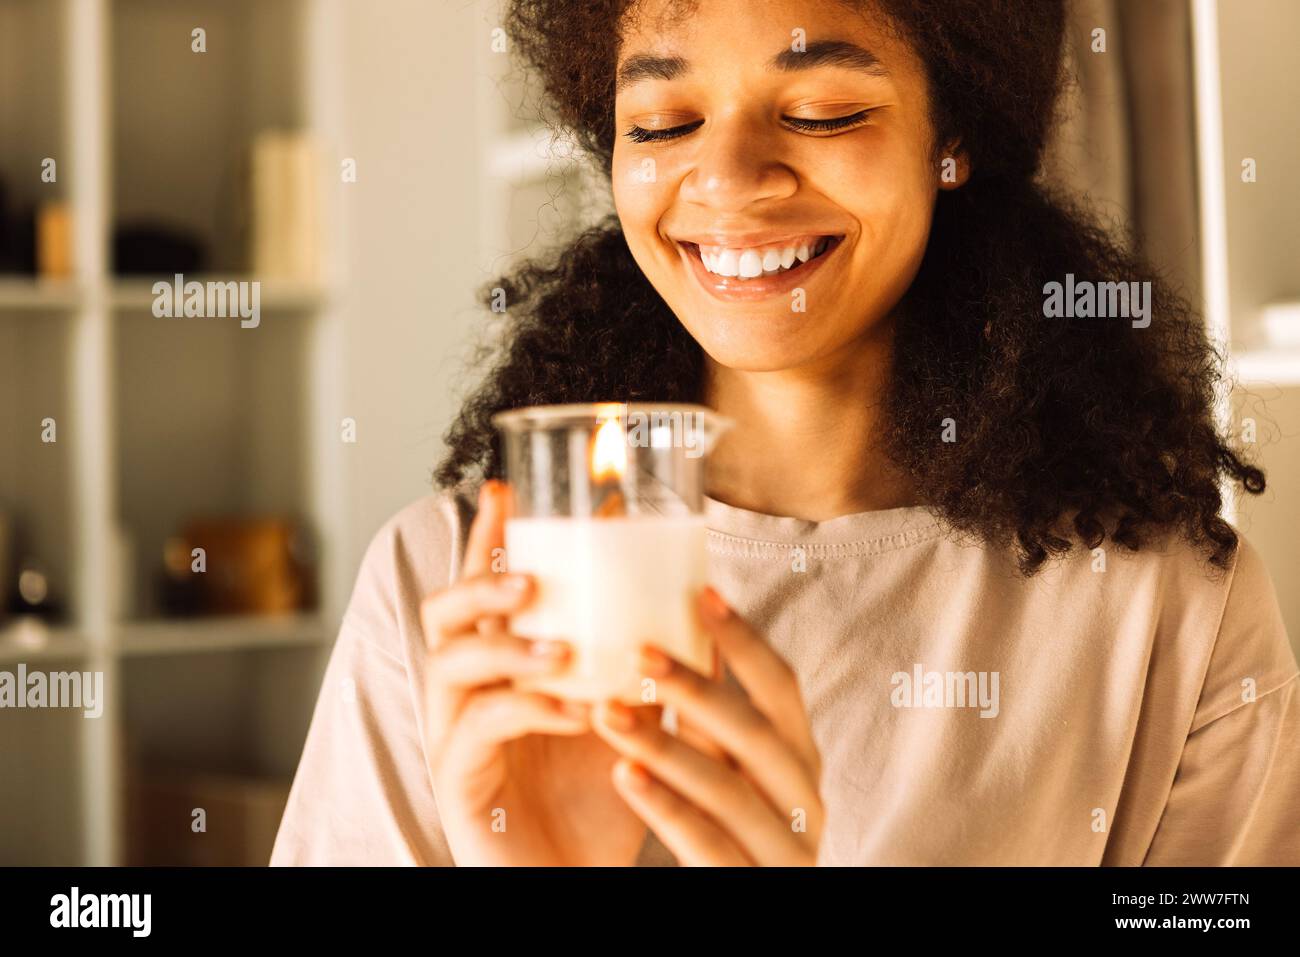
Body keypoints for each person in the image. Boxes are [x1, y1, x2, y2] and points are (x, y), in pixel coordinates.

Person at [271, 0, 1299, 866]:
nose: (725, 176)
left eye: (820, 109)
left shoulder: (1174, 612)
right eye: (664, 121)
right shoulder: (447, 595)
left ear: (953, 139)